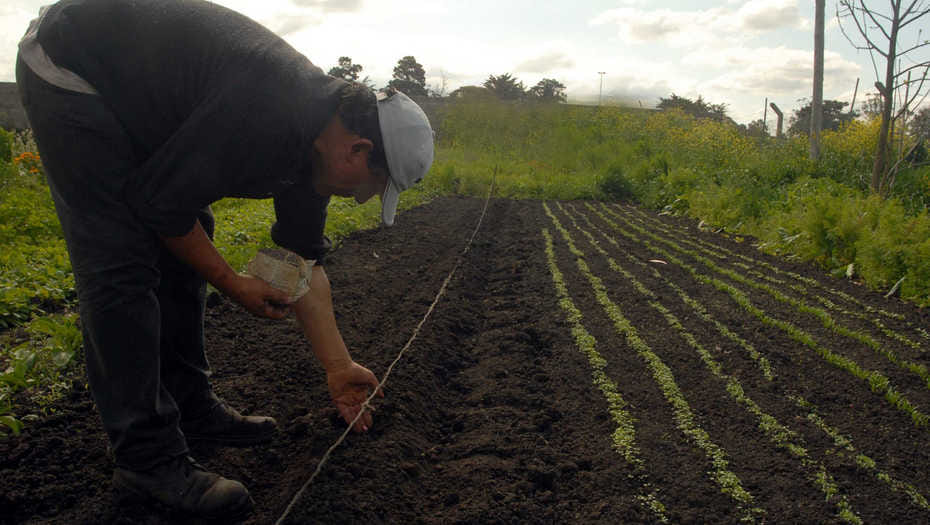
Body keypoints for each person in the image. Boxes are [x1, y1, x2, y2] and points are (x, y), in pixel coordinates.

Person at [15, 0, 434, 519]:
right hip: (72, 66)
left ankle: (190, 405)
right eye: (373, 186)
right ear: (357, 149)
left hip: (141, 91)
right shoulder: (266, 110)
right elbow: (159, 206)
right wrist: (232, 282)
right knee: (120, 263)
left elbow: (301, 265)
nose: (363, 199)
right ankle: (146, 460)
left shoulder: (318, 146)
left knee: (192, 236)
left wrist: (339, 366)